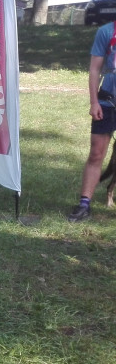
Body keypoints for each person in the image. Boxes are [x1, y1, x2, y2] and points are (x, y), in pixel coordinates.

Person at [68, 19, 116, 222]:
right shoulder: (106, 31)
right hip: (108, 101)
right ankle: (84, 205)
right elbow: (95, 69)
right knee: (96, 154)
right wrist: (94, 102)